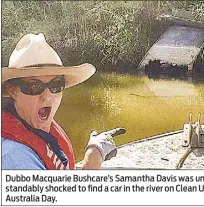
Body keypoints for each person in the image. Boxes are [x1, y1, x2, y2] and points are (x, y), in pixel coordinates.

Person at [2, 33, 125, 170]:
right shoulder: (17, 158)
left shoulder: (39, 129)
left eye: (56, 85)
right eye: (34, 87)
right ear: (12, 91)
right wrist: (93, 159)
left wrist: (94, 149)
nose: (47, 96)